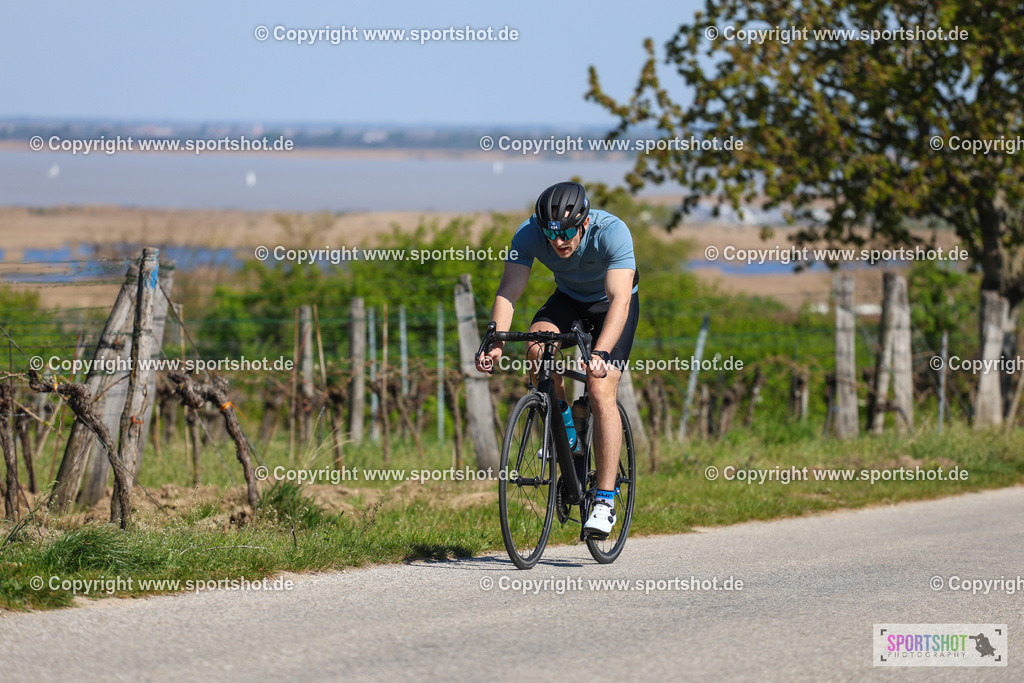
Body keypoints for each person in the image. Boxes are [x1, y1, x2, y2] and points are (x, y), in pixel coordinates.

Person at [476, 181, 639, 538]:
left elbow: (620, 301)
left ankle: (605, 501)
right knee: (536, 348)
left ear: (583, 222)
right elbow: (510, 289)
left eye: (566, 232)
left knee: (599, 390)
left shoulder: (611, 232)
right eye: (551, 234)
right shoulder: (529, 233)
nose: (559, 241)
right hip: (568, 300)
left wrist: (600, 354)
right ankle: (567, 432)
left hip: (612, 307)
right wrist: (496, 340)